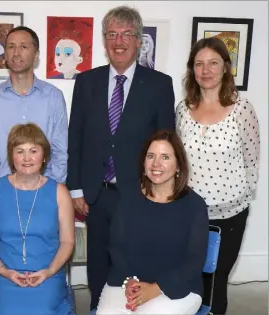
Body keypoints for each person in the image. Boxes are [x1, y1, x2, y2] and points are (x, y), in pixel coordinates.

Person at [66, 5, 176, 309]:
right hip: (95, 193)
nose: (119, 41)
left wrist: (158, 191)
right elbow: (75, 138)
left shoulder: (159, 85)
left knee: (136, 258)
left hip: (139, 193)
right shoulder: (86, 82)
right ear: (104, 41)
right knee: (98, 261)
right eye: (112, 34)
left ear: (139, 40)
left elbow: (166, 146)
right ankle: (97, 308)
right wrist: (75, 189)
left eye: (127, 34)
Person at [176, 37, 261, 315]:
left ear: (226, 67)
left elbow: (252, 160)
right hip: (189, 213)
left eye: (213, 63)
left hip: (230, 215)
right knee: (191, 278)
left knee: (217, 280)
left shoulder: (242, 109)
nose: (206, 70)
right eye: (199, 64)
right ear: (192, 70)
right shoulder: (182, 110)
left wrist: (243, 196)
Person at [96, 129, 208, 314]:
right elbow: (116, 247)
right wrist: (130, 281)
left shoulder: (194, 206)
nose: (156, 163)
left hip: (177, 288)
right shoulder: (129, 199)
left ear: (178, 165)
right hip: (127, 281)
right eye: (151, 156)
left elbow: (193, 263)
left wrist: (155, 288)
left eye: (165, 157)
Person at [0, 123, 75, 315]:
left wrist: (50, 271)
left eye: (33, 151)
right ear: (12, 156)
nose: (27, 158)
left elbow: (68, 242)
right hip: (4, 275)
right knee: (7, 310)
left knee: (42, 310)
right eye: (20, 151)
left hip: (47, 276)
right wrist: (4, 271)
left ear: (44, 156)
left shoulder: (60, 193)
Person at [0, 26, 68, 185]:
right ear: (5, 54)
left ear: (36, 55)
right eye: (11, 46)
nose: (16, 52)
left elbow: (60, 151)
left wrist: (51, 188)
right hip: (2, 189)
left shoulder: (53, 97)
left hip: (44, 188)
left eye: (23, 46)